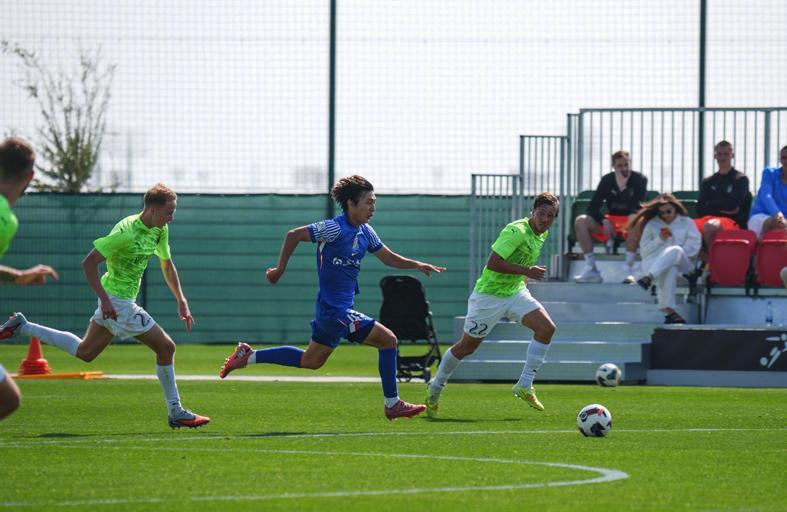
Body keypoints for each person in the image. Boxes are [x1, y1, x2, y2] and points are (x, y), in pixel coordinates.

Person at [219, 175, 445, 421]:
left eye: (375, 202)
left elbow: (388, 257)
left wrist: (417, 264)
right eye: (368, 202)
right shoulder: (334, 228)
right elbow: (294, 235)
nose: (373, 208)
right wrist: (279, 269)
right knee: (388, 340)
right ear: (351, 203)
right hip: (335, 310)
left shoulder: (366, 232)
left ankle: (248, 356)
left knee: (311, 360)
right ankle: (392, 404)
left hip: (335, 310)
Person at [0, 183, 209, 429]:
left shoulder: (159, 229)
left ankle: (23, 326)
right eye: (169, 212)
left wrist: (181, 300)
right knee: (166, 347)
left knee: (86, 352)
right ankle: (176, 411)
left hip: (118, 300)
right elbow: (89, 263)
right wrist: (107, 300)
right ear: (153, 210)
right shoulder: (125, 233)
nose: (171, 218)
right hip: (118, 302)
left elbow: (167, 263)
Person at [425, 192, 560, 417]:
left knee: (546, 328)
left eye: (551, 216)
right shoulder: (516, 231)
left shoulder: (541, 234)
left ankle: (525, 384)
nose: (545, 219)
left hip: (515, 292)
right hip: (489, 296)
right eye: (542, 213)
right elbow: (493, 263)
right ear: (533, 211)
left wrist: (524, 279)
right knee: (467, 347)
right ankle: (435, 387)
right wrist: (527, 271)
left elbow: (523, 260)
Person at [0, 137, 59, 421]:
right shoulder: (5, 219)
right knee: (7, 400)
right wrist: (21, 277)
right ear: (31, 175)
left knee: (8, 399)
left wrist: (20, 277)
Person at [573, 150, 648, 284]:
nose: (624, 168)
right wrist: (604, 220)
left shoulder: (640, 179)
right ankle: (591, 268)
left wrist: (623, 188)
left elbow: (637, 206)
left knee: (635, 219)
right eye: (620, 165)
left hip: (630, 222)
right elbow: (593, 207)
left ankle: (628, 270)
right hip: (611, 221)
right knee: (581, 221)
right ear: (613, 166)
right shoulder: (607, 180)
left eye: (626, 164)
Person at [632, 193, 701, 324]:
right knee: (670, 269)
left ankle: (648, 278)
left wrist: (673, 254)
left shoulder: (687, 222)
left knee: (675, 250)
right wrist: (659, 239)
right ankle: (670, 313)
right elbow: (644, 251)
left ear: (675, 208)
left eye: (668, 211)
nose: (665, 215)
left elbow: (694, 245)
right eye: (662, 213)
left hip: (683, 262)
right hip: (655, 263)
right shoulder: (652, 224)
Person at [695, 141, 750, 250]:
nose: (722, 157)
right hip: (708, 218)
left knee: (710, 226)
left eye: (726, 154)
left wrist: (710, 204)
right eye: (719, 154)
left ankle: (714, 259)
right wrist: (722, 206)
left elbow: (731, 205)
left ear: (732, 155)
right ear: (715, 156)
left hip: (732, 221)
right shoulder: (708, 181)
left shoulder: (740, 179)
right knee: (686, 226)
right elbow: (700, 208)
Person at [748, 145, 787, 239]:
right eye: (783, 158)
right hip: (760, 217)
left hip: (784, 221)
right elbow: (766, 195)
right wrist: (777, 214)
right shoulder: (769, 172)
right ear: (780, 160)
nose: (786, 161)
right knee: (778, 223)